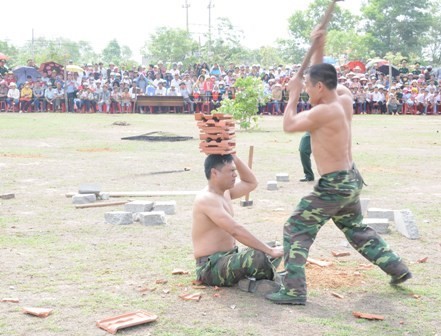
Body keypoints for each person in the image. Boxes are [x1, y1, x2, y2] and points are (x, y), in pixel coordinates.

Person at [266, 28, 411, 306]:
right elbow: (326, 77)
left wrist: (293, 95)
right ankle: (397, 267)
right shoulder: (343, 99)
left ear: (318, 87)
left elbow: (288, 125)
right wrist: (319, 46)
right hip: (351, 179)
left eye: (309, 86)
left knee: (296, 227)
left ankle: (294, 290)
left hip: (333, 184)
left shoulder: (321, 111)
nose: (307, 89)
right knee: (355, 228)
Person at [192, 154, 284, 294]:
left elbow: (251, 183)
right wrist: (269, 251)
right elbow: (235, 230)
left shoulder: (225, 192)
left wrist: (233, 156)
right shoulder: (206, 199)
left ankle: (250, 280)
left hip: (229, 258)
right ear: (214, 173)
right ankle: (266, 281)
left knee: (275, 247)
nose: (235, 175)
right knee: (259, 255)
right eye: (231, 171)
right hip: (210, 268)